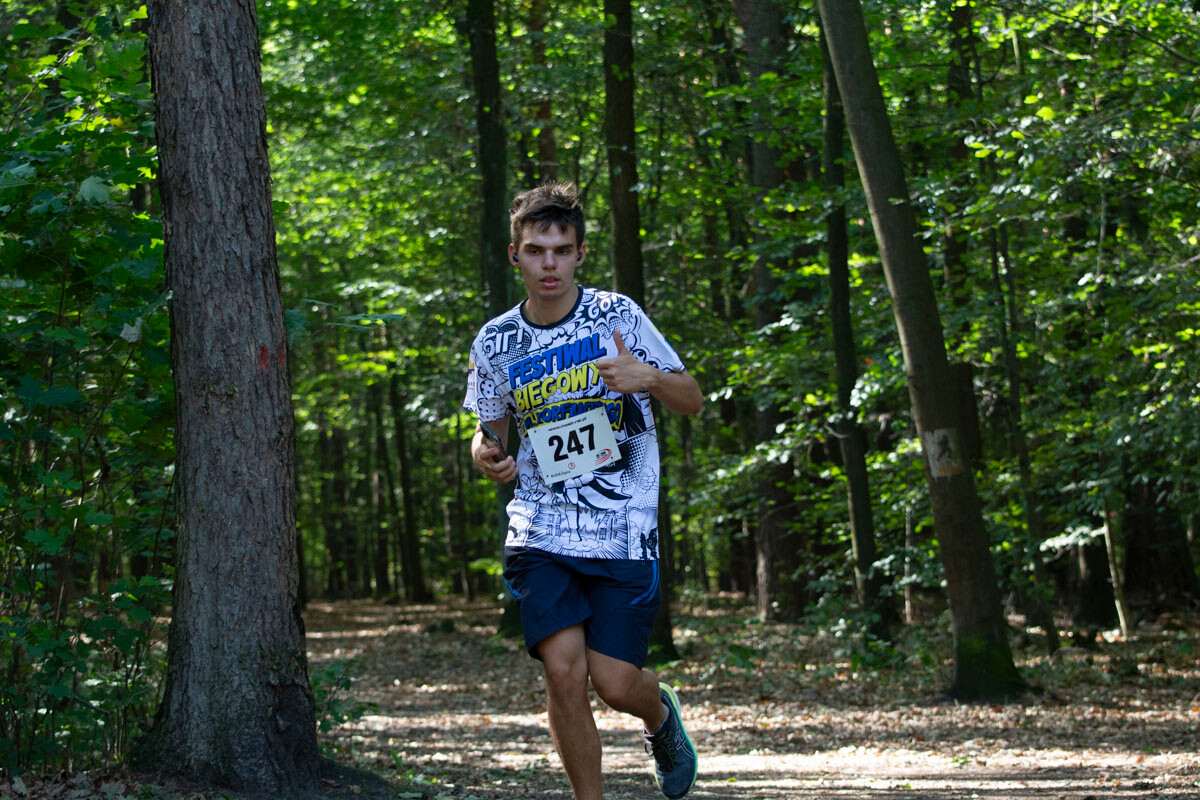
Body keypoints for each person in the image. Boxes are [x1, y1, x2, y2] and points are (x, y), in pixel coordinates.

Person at [463, 182, 703, 800]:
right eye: (536, 250)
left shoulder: (617, 316)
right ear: (513, 254)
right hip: (541, 527)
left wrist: (645, 376)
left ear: (579, 254)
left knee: (615, 683)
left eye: (561, 250)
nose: (549, 264)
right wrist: (485, 453)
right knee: (565, 676)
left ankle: (658, 715)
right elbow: (488, 428)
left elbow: (692, 399)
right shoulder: (495, 342)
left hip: (623, 526)